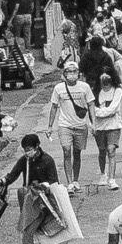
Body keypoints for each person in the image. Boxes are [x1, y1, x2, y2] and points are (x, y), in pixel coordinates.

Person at [47, 58, 95, 194]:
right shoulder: (59, 88)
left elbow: (91, 104)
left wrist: (93, 123)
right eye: (69, 71)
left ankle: (75, 180)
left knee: (77, 153)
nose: (72, 74)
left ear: (78, 73)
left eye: (74, 71)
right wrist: (50, 126)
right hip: (65, 125)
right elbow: (54, 107)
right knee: (66, 150)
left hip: (80, 125)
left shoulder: (84, 87)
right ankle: (69, 183)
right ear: (64, 73)